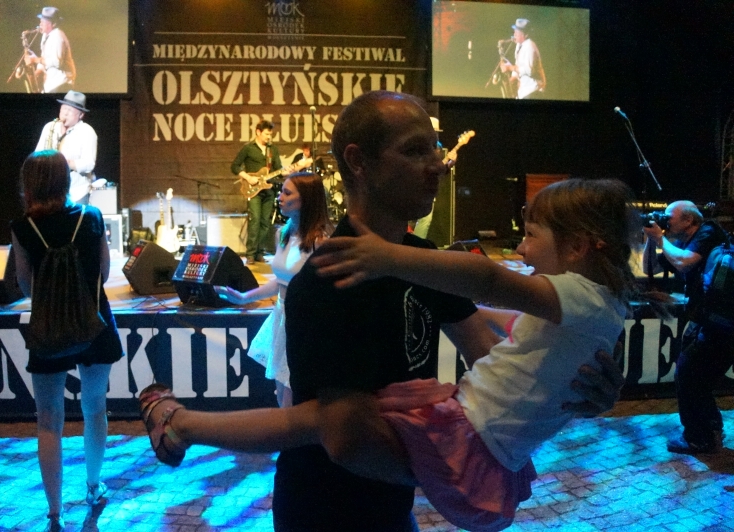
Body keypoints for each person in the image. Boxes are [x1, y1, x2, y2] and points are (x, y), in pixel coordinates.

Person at [137, 92, 625, 531]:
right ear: (358, 162)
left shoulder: (423, 259)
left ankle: (181, 422)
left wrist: (570, 383)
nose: (437, 166)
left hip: (392, 507)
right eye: (415, 151)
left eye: (435, 149)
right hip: (325, 513)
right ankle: (181, 422)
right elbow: (348, 440)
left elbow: (488, 351)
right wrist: (453, 470)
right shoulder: (329, 280)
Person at [10, 150, 123, 532]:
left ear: (29, 184)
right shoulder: (91, 217)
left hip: (48, 328)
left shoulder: (22, 226)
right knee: (95, 408)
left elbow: (26, 284)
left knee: (48, 420)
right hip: (95, 323)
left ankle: (55, 512)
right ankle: (93, 486)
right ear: (65, 180)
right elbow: (104, 272)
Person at [213, 173, 332, 407]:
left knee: (291, 399)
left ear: (306, 199)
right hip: (282, 317)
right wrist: (243, 297)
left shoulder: (321, 241)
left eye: (287, 193)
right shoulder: (283, 234)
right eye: (281, 192)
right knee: (281, 396)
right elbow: (282, 282)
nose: (279, 197)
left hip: (305, 323)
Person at [643, 200, 731, 454]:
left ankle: (698, 438)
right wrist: (651, 239)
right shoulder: (682, 242)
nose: (665, 220)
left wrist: (661, 239)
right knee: (694, 378)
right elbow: (650, 268)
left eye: (669, 216)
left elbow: (684, 263)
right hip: (706, 319)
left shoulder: (708, 232)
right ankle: (709, 430)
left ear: (689, 220)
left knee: (689, 375)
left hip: (720, 322)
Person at [232, 120, 284, 265]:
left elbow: (278, 169)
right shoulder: (248, 148)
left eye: (270, 134)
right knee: (254, 220)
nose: (269, 137)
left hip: (268, 189)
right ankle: (250, 253)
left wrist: (289, 170)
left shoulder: (272, 150)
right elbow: (235, 166)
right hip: (253, 190)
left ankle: (259, 252)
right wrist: (248, 177)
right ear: (258, 132)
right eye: (266, 134)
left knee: (265, 223)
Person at [35, 90, 97, 205]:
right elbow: (37, 154)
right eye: (64, 108)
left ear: (81, 115)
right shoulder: (50, 127)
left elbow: (89, 164)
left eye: (70, 110)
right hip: (50, 192)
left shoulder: (87, 132)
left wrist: (64, 163)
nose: (65, 113)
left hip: (76, 193)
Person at [24, 7, 76, 94]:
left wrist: (35, 59)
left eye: (43, 22)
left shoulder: (58, 36)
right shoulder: (45, 36)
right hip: (51, 84)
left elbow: (56, 62)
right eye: (40, 21)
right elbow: (45, 58)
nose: (40, 24)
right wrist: (36, 73)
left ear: (53, 24)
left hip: (61, 83)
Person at [500, 18, 546, 99]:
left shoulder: (530, 47)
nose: (514, 34)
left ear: (525, 35)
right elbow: (519, 65)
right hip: (524, 92)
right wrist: (511, 80)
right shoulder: (519, 45)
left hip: (533, 90)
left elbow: (529, 70)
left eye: (517, 32)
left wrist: (510, 68)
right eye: (514, 31)